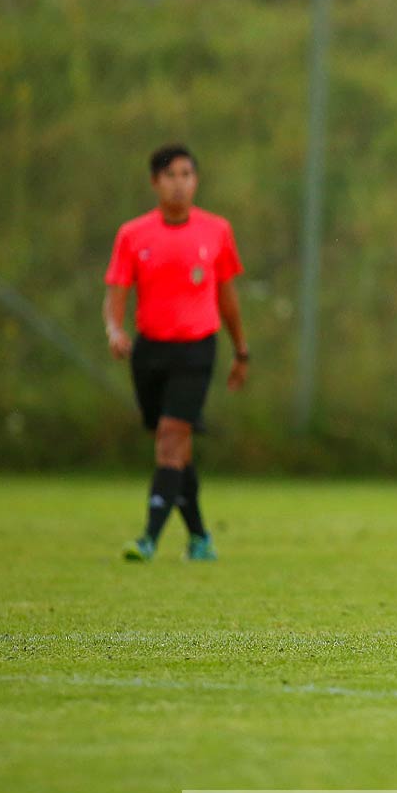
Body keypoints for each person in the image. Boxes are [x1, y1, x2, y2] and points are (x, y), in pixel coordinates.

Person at [105, 145, 248, 562]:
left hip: (197, 350)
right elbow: (116, 291)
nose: (179, 182)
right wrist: (115, 330)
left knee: (170, 442)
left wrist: (241, 351)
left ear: (196, 180)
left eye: (186, 174)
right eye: (170, 175)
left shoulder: (216, 230)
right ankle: (201, 537)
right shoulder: (133, 234)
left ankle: (148, 539)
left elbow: (228, 297)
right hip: (149, 351)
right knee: (175, 450)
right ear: (155, 182)